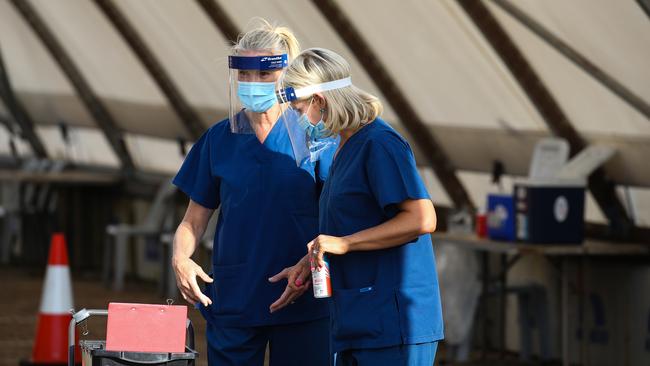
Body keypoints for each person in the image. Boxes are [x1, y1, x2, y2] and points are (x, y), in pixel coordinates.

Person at [171, 20, 331, 366]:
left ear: (287, 76)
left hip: (305, 298)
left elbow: (340, 218)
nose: (252, 83)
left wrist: (311, 263)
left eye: (263, 75)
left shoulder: (315, 136)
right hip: (235, 297)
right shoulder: (219, 139)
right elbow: (193, 221)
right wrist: (181, 258)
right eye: (244, 74)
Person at [271, 48, 444, 365]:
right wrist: (311, 259)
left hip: (393, 322)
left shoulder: (379, 143)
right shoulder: (342, 146)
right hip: (358, 318)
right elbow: (349, 224)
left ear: (320, 101)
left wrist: (344, 244)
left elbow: (422, 217)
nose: (296, 120)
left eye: (298, 110)